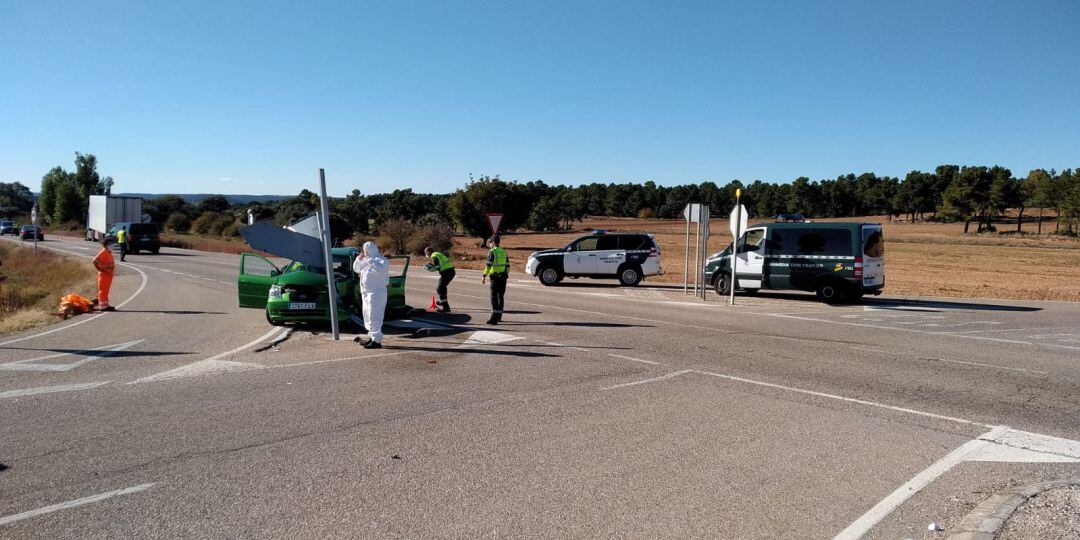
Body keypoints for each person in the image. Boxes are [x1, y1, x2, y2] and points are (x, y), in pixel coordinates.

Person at [353, 241, 390, 349]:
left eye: (365, 250)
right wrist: (358, 259)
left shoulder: (381, 259)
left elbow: (382, 269)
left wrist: (371, 261)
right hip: (366, 292)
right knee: (367, 315)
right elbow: (356, 268)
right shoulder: (366, 260)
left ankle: (377, 341)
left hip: (376, 293)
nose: (364, 252)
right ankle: (372, 337)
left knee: (375, 316)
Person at [480, 235, 509, 325]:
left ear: (493, 242)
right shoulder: (503, 251)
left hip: (495, 277)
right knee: (500, 296)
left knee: (494, 297)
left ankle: (494, 318)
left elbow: (488, 265)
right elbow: (507, 266)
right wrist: (504, 273)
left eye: (490, 242)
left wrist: (484, 275)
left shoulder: (492, 251)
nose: (490, 244)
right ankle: (499, 316)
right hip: (503, 277)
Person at [423, 246, 455, 312]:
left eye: (426, 253)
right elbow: (439, 265)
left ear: (428, 252)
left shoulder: (434, 256)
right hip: (451, 271)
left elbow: (437, 267)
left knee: (440, 288)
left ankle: (446, 308)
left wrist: (428, 269)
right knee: (442, 288)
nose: (426, 255)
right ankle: (443, 302)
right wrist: (431, 265)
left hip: (446, 272)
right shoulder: (438, 254)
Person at [92, 237, 116, 311]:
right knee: (103, 290)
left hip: (108, 275)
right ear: (106, 245)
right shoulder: (104, 252)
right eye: (110, 244)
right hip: (104, 275)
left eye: (112, 243)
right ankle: (102, 306)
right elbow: (94, 261)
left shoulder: (108, 252)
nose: (112, 245)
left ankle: (105, 304)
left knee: (106, 290)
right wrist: (100, 269)